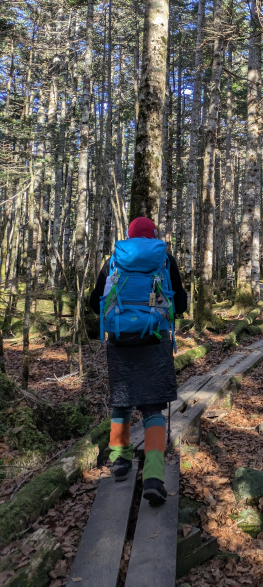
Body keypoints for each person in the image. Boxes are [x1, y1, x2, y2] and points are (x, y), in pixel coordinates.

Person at [89, 217, 187, 506]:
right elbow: (179, 303)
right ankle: (154, 477)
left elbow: (95, 302)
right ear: (153, 236)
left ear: (129, 236)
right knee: (153, 406)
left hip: (120, 339)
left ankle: (120, 461)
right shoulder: (165, 259)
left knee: (122, 400)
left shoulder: (115, 260)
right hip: (154, 339)